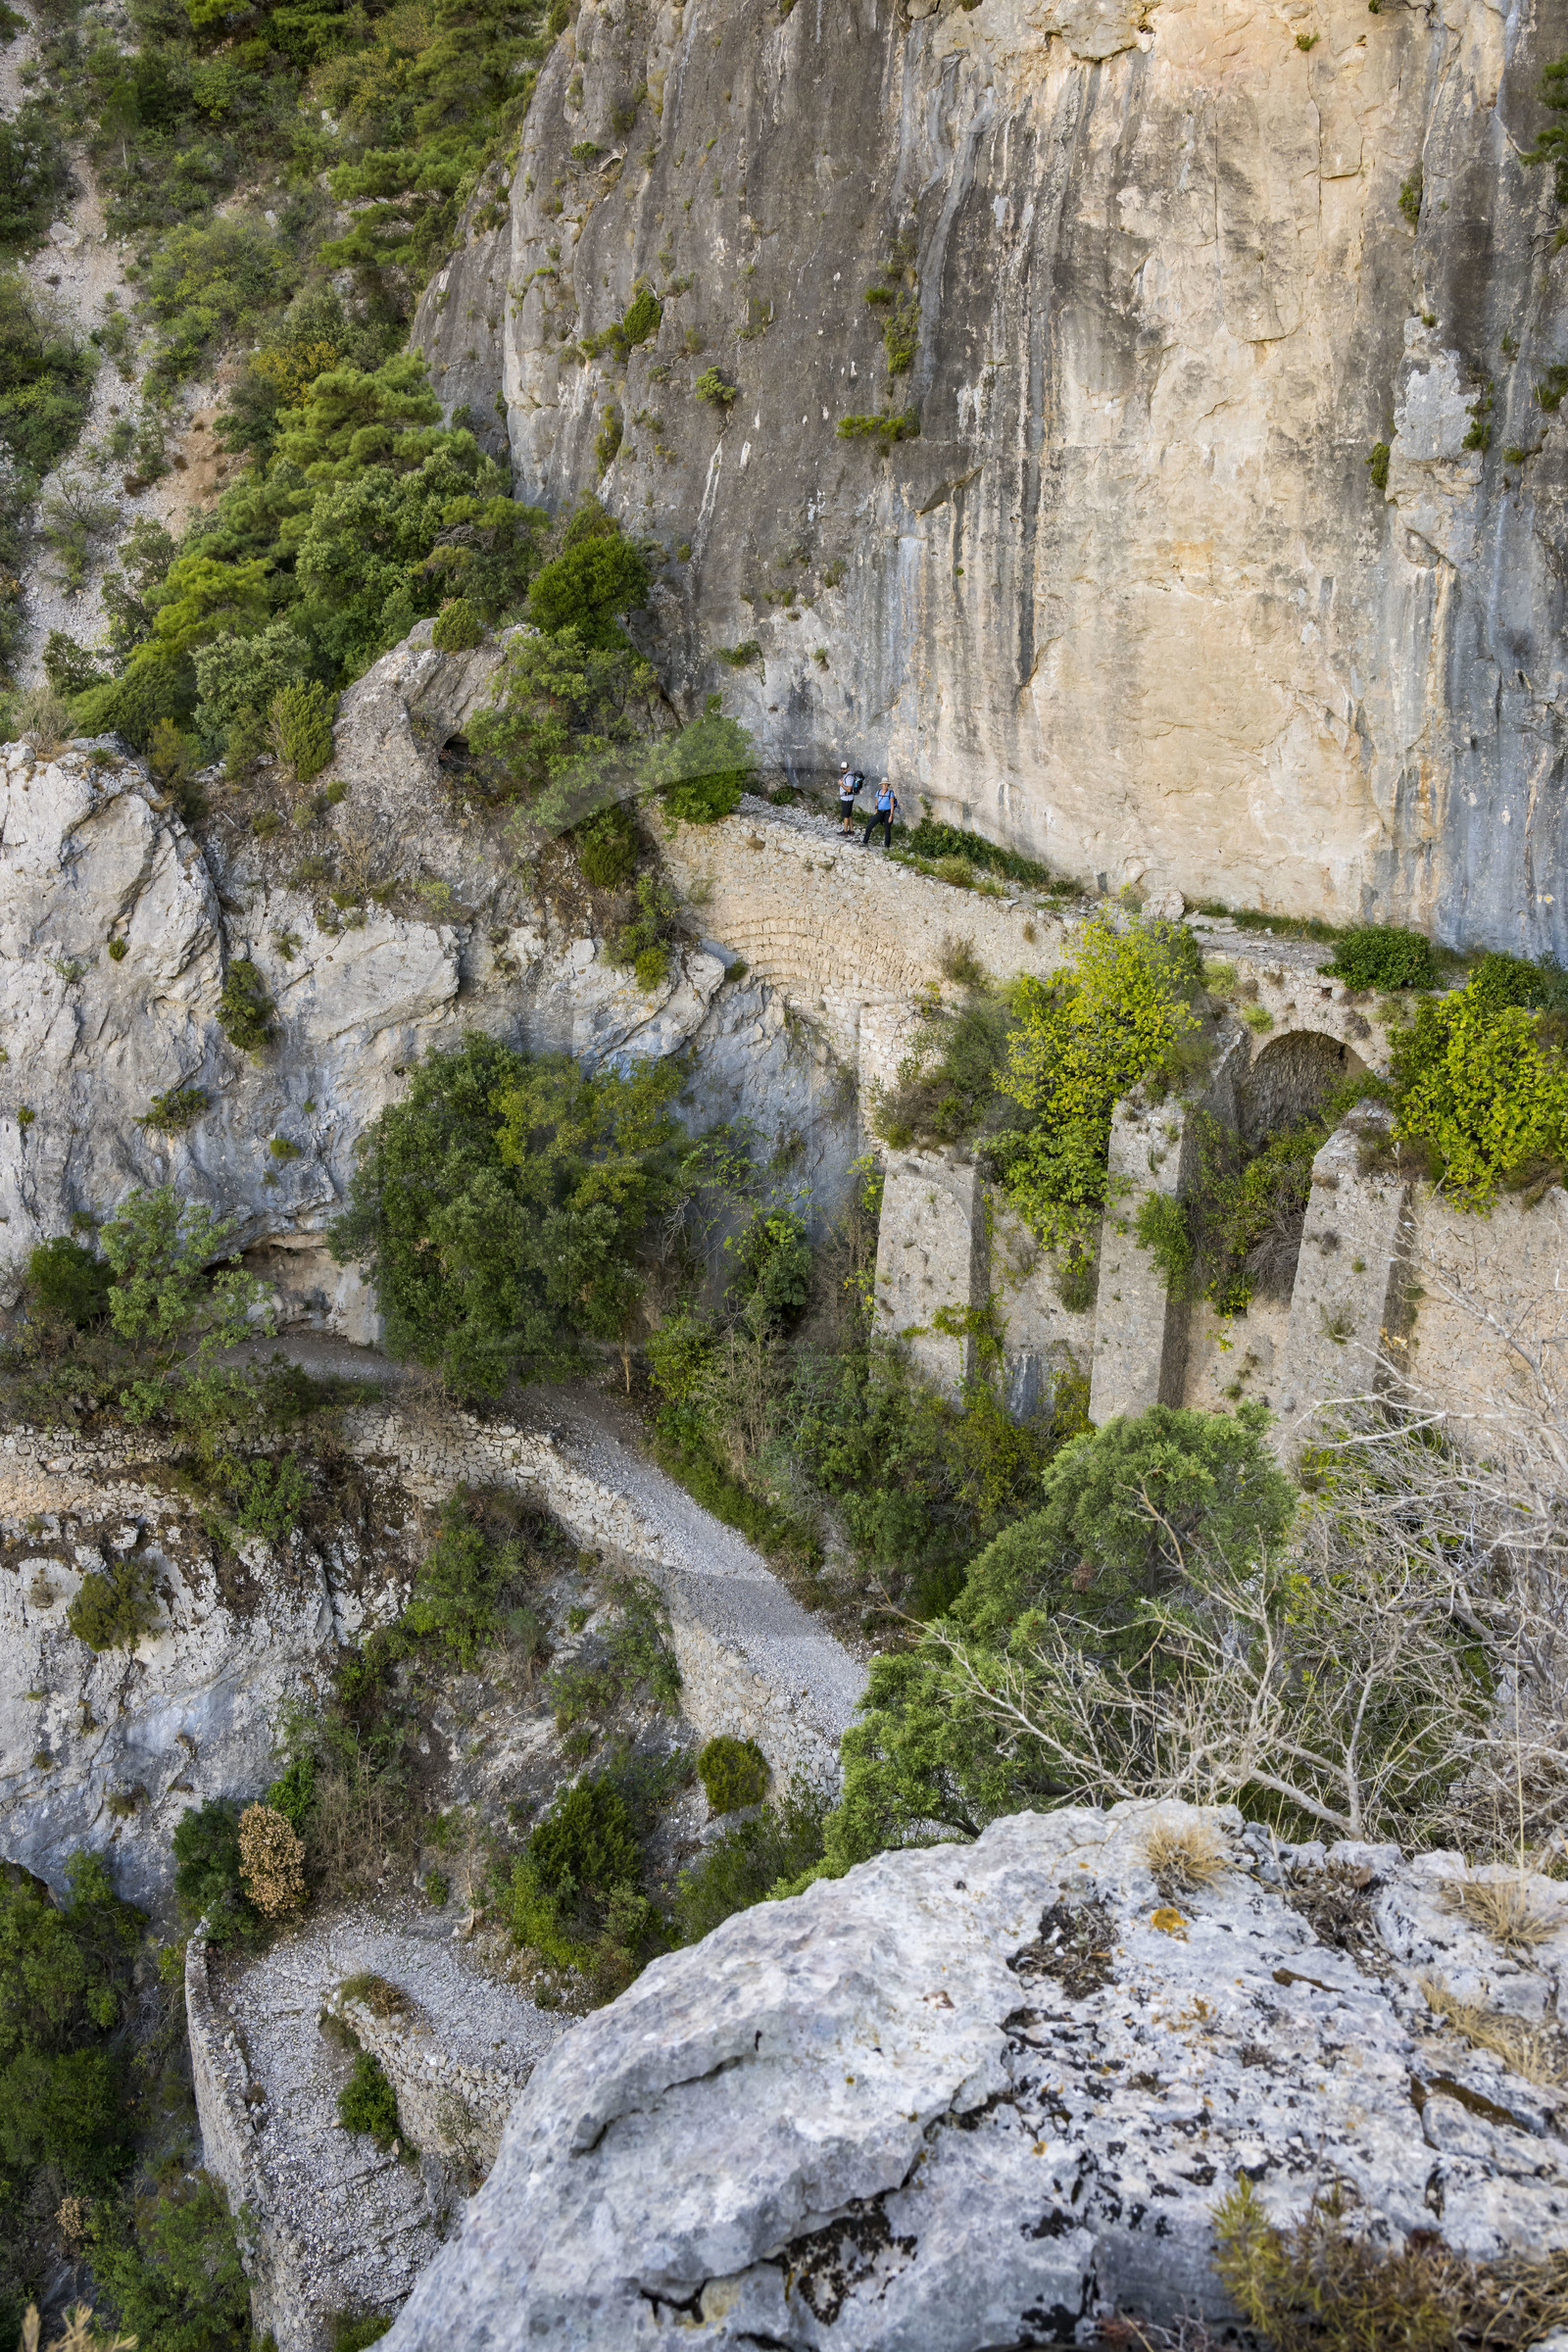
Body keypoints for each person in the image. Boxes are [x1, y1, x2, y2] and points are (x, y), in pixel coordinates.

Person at [861, 778, 900, 849]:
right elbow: (877, 802)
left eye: (886, 784)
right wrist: (876, 810)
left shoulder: (890, 793)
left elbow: (891, 805)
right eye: (884, 784)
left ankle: (887, 846)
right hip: (879, 812)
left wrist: (891, 815)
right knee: (869, 825)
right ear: (881, 784)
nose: (885, 785)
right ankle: (865, 842)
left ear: (888, 785)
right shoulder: (878, 792)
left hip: (887, 812)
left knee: (887, 829)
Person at [837, 761, 864, 833]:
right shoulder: (847, 775)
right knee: (848, 814)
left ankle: (845, 831)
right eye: (841, 769)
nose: (842, 770)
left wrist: (841, 784)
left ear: (848, 768)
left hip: (847, 798)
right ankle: (851, 830)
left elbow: (849, 789)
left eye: (844, 769)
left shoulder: (849, 777)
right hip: (847, 797)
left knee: (845, 815)